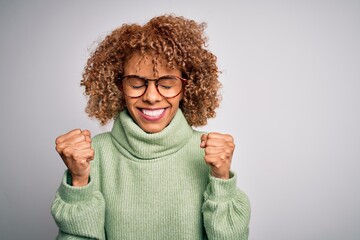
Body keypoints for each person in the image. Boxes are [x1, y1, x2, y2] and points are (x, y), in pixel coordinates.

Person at [51, 14, 250, 240]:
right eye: (137, 84)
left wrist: (222, 180)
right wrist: (78, 182)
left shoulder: (210, 156)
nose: (152, 97)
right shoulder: (91, 157)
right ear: (118, 86)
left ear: (187, 86)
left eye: (166, 84)